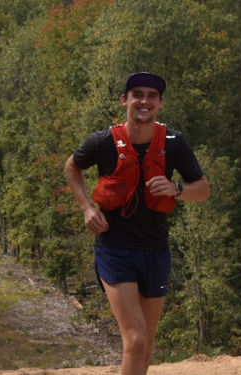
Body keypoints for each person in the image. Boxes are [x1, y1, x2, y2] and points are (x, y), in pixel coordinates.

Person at [63, 72, 209, 375]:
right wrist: (87, 208)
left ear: (160, 103)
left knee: (146, 343)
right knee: (136, 340)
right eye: (137, 94)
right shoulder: (102, 142)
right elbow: (72, 167)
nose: (144, 101)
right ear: (125, 100)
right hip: (115, 248)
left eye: (151, 96)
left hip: (155, 250)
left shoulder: (173, 142)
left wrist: (177, 189)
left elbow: (203, 189)